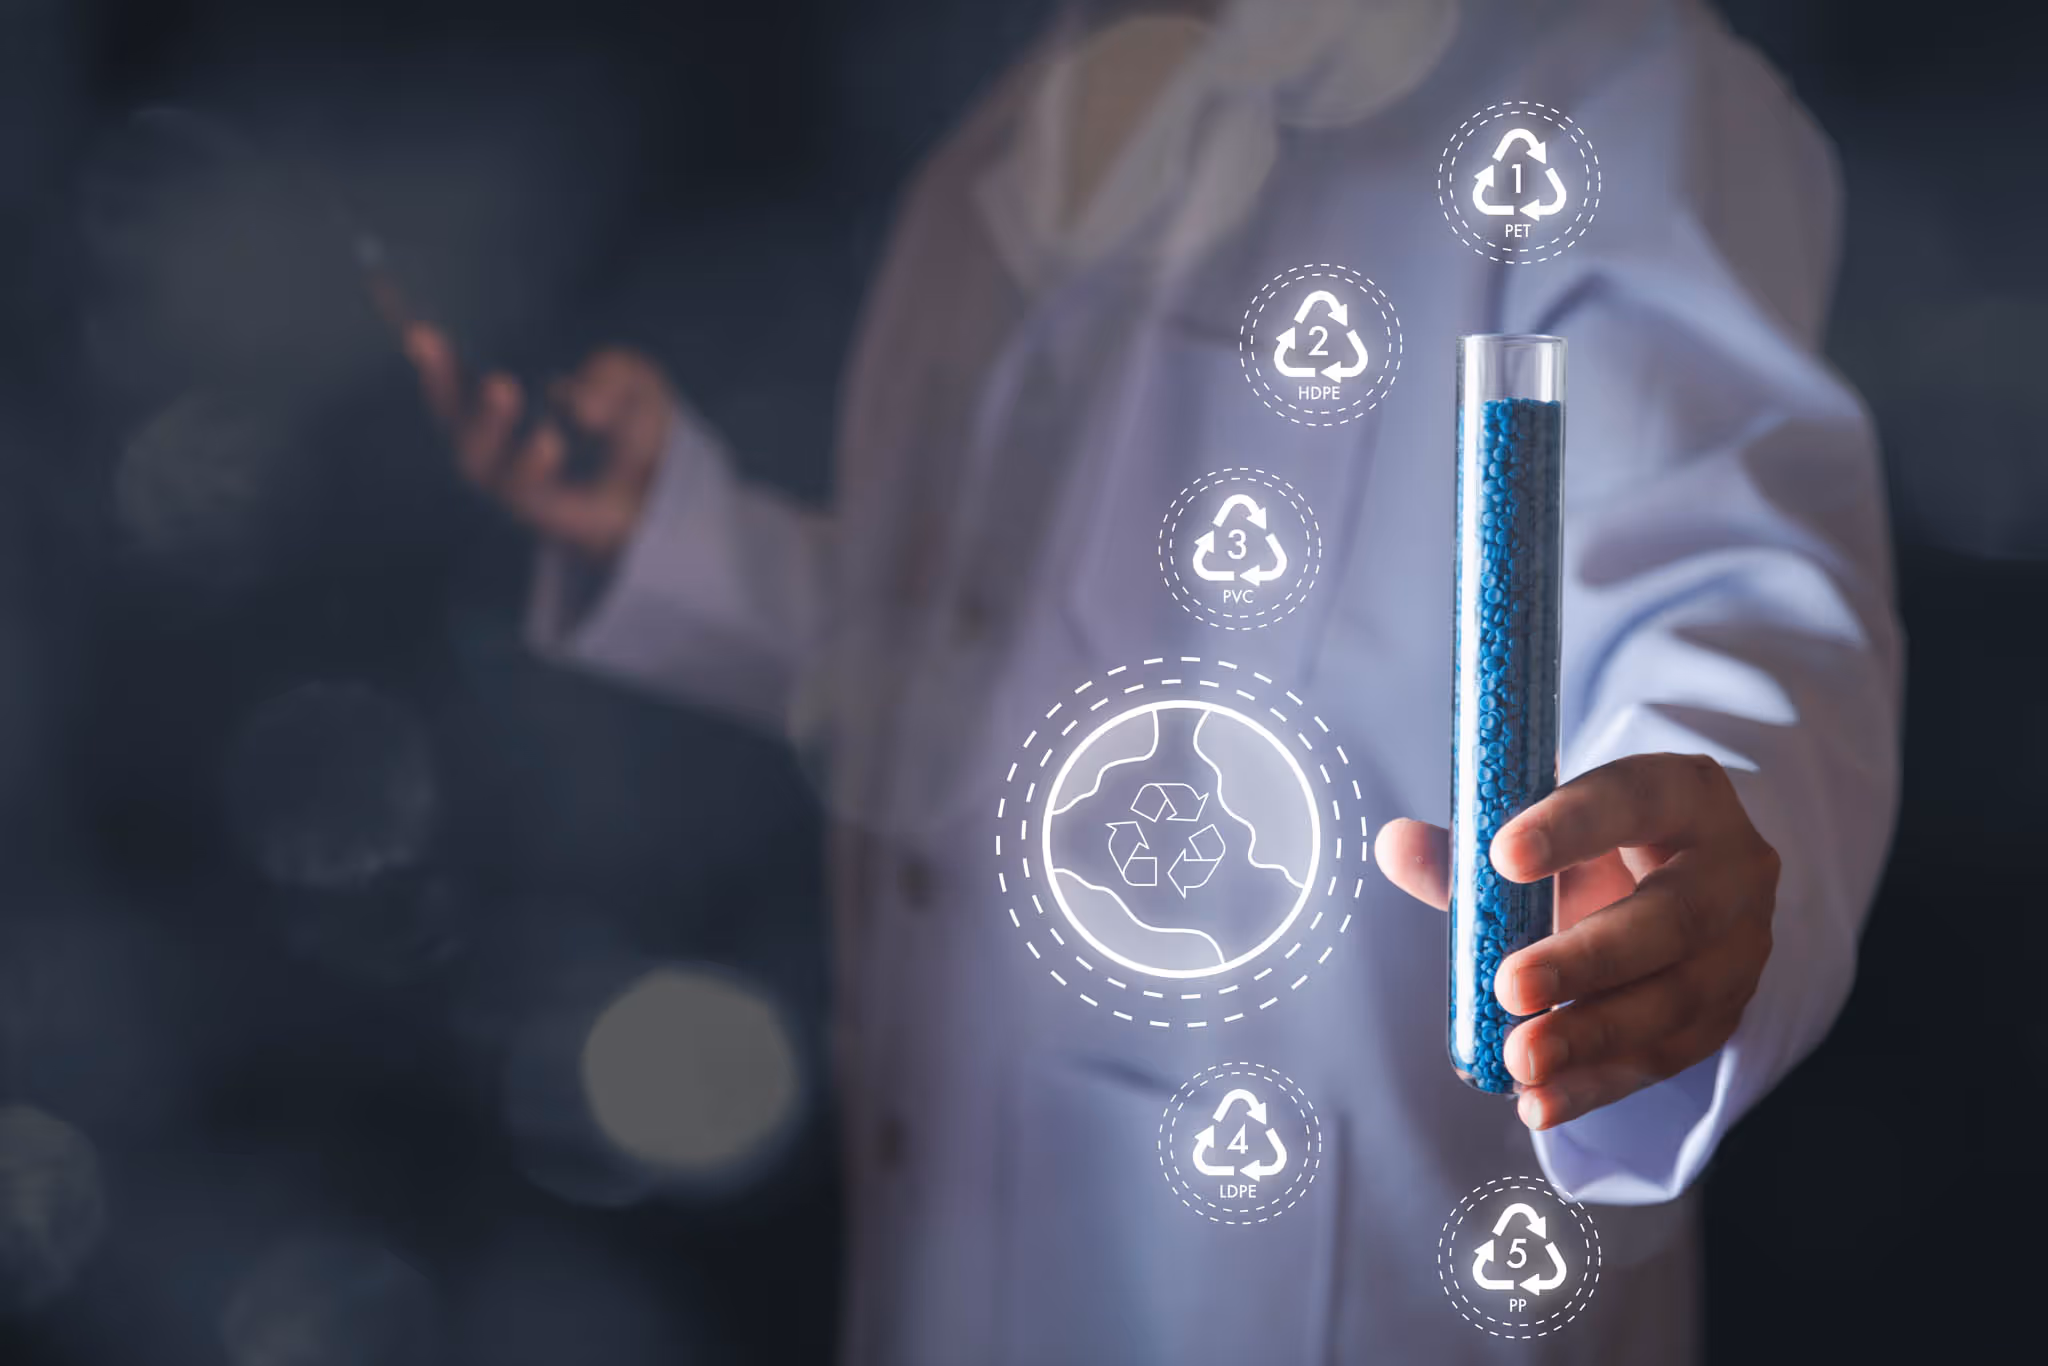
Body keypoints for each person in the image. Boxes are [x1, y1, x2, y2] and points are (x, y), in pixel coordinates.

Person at [405, 0, 1900, 1360]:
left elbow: (1726, 588)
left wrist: (1710, 831)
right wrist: (687, 537)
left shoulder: (1606, 84)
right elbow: (999, 680)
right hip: (957, 1268)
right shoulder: (1035, 115)